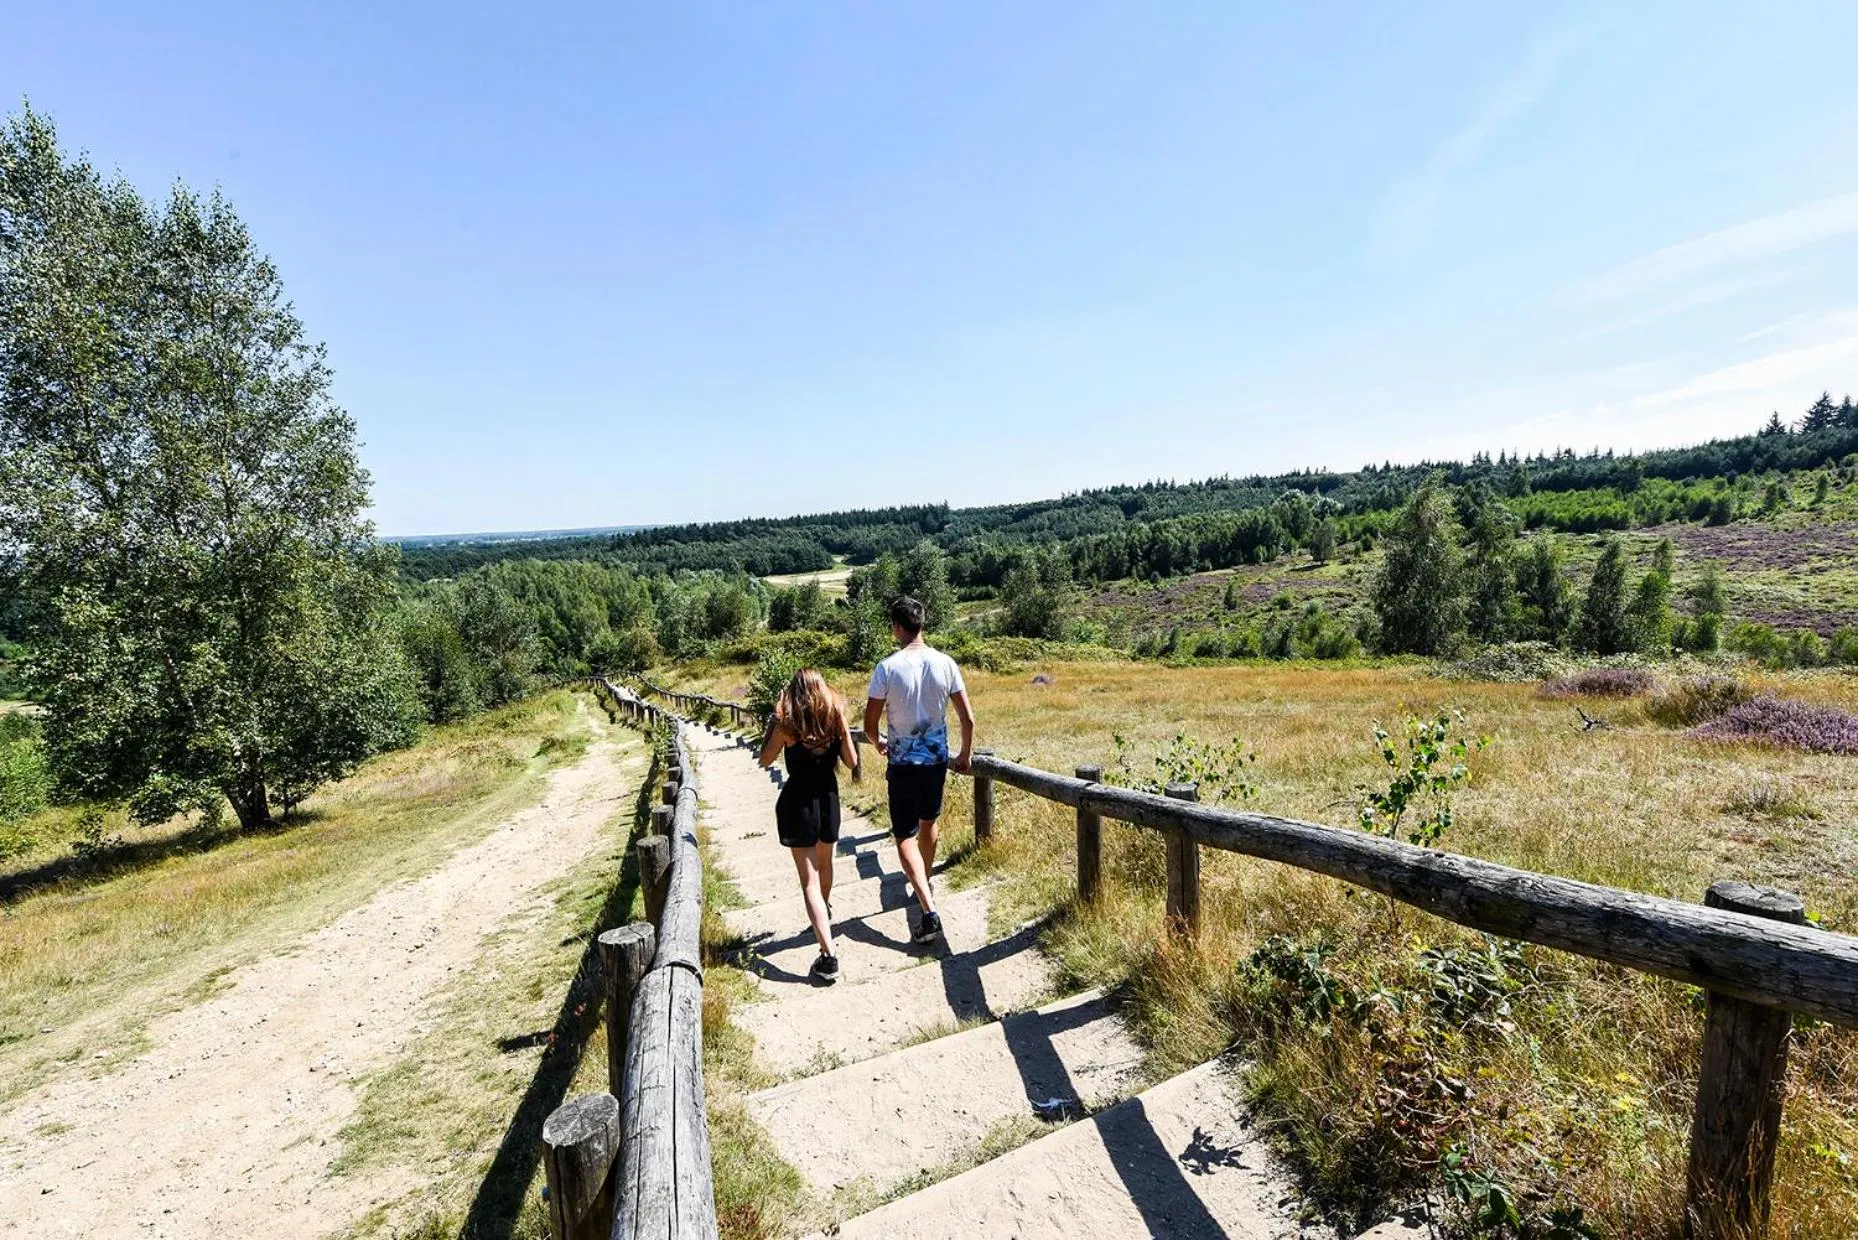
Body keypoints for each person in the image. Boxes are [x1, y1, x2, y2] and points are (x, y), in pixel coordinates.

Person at [862, 596, 975, 945]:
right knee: (930, 822)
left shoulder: (887, 668)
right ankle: (924, 882)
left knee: (904, 835)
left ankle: (928, 910)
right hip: (937, 759)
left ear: (897, 627)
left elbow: (869, 722)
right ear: (922, 624)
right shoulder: (946, 664)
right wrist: (965, 755)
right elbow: (967, 719)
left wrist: (879, 740)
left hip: (903, 763)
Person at [758, 667, 859, 984]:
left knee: (809, 882)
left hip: (799, 800)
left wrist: (773, 726)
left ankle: (828, 956)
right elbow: (852, 761)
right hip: (828, 799)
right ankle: (824, 913)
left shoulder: (787, 723)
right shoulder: (834, 717)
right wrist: (840, 727)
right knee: (825, 866)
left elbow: (765, 759)